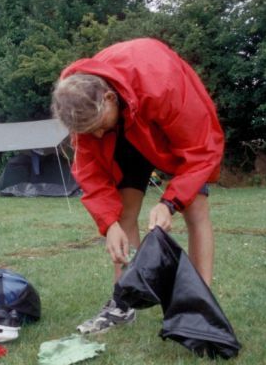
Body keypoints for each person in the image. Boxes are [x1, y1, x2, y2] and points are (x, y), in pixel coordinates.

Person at [51, 38, 224, 334]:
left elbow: (202, 150)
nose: (98, 132)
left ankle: (199, 306)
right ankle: (123, 304)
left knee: (196, 210)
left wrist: (170, 203)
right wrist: (109, 224)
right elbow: (91, 174)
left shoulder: (162, 81)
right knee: (123, 215)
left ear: (108, 97)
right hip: (126, 133)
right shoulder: (85, 114)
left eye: (99, 126)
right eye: (91, 131)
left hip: (168, 127)